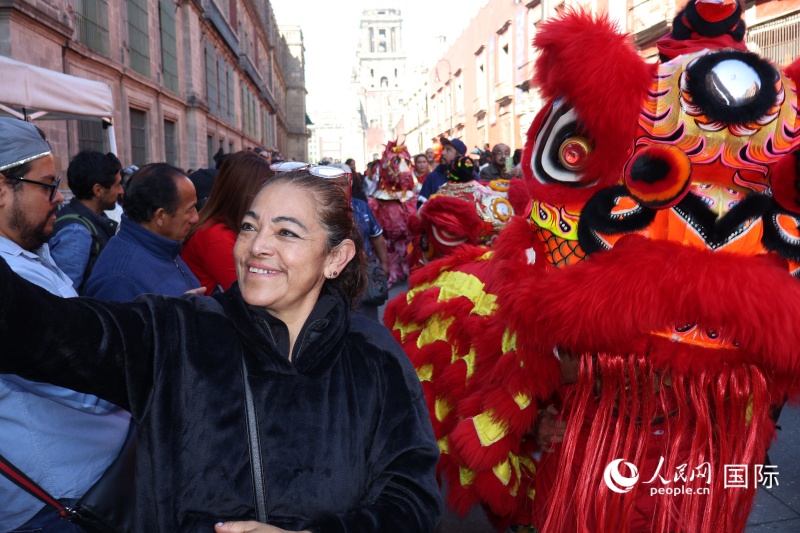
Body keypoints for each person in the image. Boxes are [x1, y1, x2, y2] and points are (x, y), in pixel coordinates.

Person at [0, 168, 443, 532]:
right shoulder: (178, 333)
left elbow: (413, 496)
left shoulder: (371, 353)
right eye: (249, 226)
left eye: (286, 232)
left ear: (336, 257)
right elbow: (41, 328)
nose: (257, 246)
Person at [0, 117, 130, 532]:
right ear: (2, 190)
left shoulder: (30, 250)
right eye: (48, 185)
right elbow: (87, 382)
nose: (59, 198)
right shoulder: (10, 275)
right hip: (58, 499)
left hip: (87, 480)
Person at [83, 163, 202, 301]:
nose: (196, 218)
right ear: (160, 216)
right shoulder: (120, 280)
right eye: (190, 209)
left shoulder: (164, 246)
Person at [182, 151, 272, 295]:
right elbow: (251, 294)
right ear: (251, 194)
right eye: (267, 191)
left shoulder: (222, 228)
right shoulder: (217, 237)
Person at [49, 150, 124, 293]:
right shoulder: (76, 232)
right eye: (117, 185)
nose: (121, 191)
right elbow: (66, 294)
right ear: (98, 190)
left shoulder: (88, 221)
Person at [329, 163, 390, 321]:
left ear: (350, 185)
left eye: (342, 184)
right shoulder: (318, 209)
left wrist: (384, 265)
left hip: (363, 275)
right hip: (330, 278)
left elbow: (377, 237)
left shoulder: (362, 207)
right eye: (332, 184)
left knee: (366, 326)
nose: (337, 189)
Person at [417, 137, 469, 208]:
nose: (443, 153)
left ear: (458, 156)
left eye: (448, 150)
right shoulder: (432, 178)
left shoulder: (470, 177)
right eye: (443, 149)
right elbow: (421, 208)